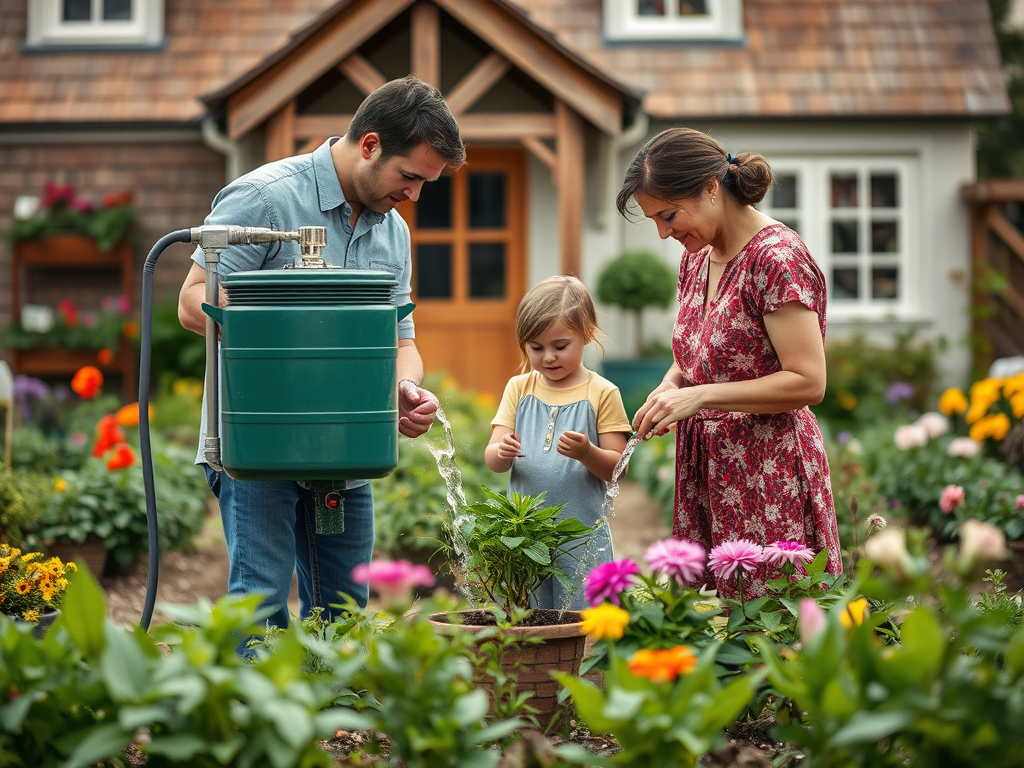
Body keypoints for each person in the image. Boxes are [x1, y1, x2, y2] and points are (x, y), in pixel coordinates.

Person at [177, 75, 465, 634]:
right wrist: (288, 323)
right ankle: (260, 717)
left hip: (347, 451)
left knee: (344, 610)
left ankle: (334, 719)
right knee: (260, 604)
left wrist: (405, 388)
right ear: (370, 144)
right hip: (259, 441)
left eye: (425, 184)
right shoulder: (266, 198)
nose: (414, 195)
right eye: (410, 177)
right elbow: (192, 302)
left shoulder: (393, 234)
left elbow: (402, 340)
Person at [618, 127, 842, 597]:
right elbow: (696, 353)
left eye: (669, 215)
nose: (664, 232)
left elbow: (809, 382)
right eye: (655, 220)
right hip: (709, 469)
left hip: (768, 470)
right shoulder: (697, 257)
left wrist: (700, 397)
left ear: (711, 188)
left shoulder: (776, 258)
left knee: (772, 631)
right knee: (714, 628)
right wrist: (671, 383)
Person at [485, 275, 632, 610]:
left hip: (580, 535)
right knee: (529, 610)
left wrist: (587, 453)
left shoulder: (602, 392)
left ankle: (585, 664)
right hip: (526, 536)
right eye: (536, 348)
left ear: (587, 335)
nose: (548, 357)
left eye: (559, 346)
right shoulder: (519, 388)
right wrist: (501, 451)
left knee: (583, 613)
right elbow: (493, 459)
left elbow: (618, 469)